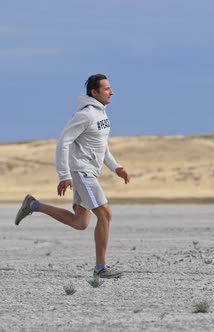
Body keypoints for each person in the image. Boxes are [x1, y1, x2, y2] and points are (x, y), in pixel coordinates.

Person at [14, 74, 130, 279]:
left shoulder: (102, 115)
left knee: (80, 222)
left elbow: (102, 147)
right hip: (82, 172)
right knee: (105, 215)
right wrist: (64, 175)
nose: (111, 92)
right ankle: (100, 268)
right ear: (94, 93)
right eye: (106, 89)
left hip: (90, 172)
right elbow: (64, 142)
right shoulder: (85, 115)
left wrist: (116, 167)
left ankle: (33, 205)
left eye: (110, 88)